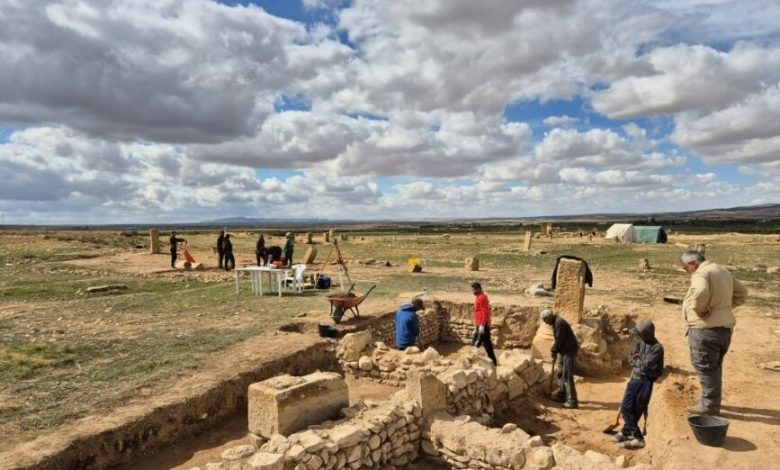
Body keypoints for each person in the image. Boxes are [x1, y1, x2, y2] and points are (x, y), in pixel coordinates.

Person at [681, 250, 747, 415]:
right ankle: (712, 401)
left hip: (705, 330)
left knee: (706, 368)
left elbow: (701, 292)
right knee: (714, 367)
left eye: (685, 268)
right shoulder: (722, 270)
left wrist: (700, 310)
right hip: (724, 329)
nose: (686, 271)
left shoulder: (701, 273)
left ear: (692, 264)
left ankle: (709, 406)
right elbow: (742, 292)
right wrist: (722, 309)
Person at [613, 320, 664, 450]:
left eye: (640, 334)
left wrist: (638, 361)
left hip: (646, 381)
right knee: (626, 407)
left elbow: (645, 366)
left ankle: (636, 438)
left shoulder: (657, 348)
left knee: (637, 408)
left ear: (647, 334)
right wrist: (639, 361)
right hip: (636, 378)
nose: (638, 336)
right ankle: (628, 432)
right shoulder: (640, 343)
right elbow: (630, 358)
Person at [541, 309, 579, 409]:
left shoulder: (559, 323)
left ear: (549, 317)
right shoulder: (555, 322)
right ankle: (562, 395)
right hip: (563, 351)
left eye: (545, 320)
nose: (545, 323)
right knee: (560, 373)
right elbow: (558, 340)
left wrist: (553, 350)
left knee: (567, 375)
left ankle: (572, 401)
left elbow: (559, 339)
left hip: (569, 351)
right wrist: (555, 350)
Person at [471, 282, 497, 366]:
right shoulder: (480, 296)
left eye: (473, 290)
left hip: (483, 324)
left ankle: (469, 361)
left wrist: (482, 325)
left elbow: (484, 311)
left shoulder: (481, 297)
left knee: (475, 344)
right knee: (487, 344)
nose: (472, 291)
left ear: (478, 289)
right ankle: (494, 362)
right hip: (481, 323)